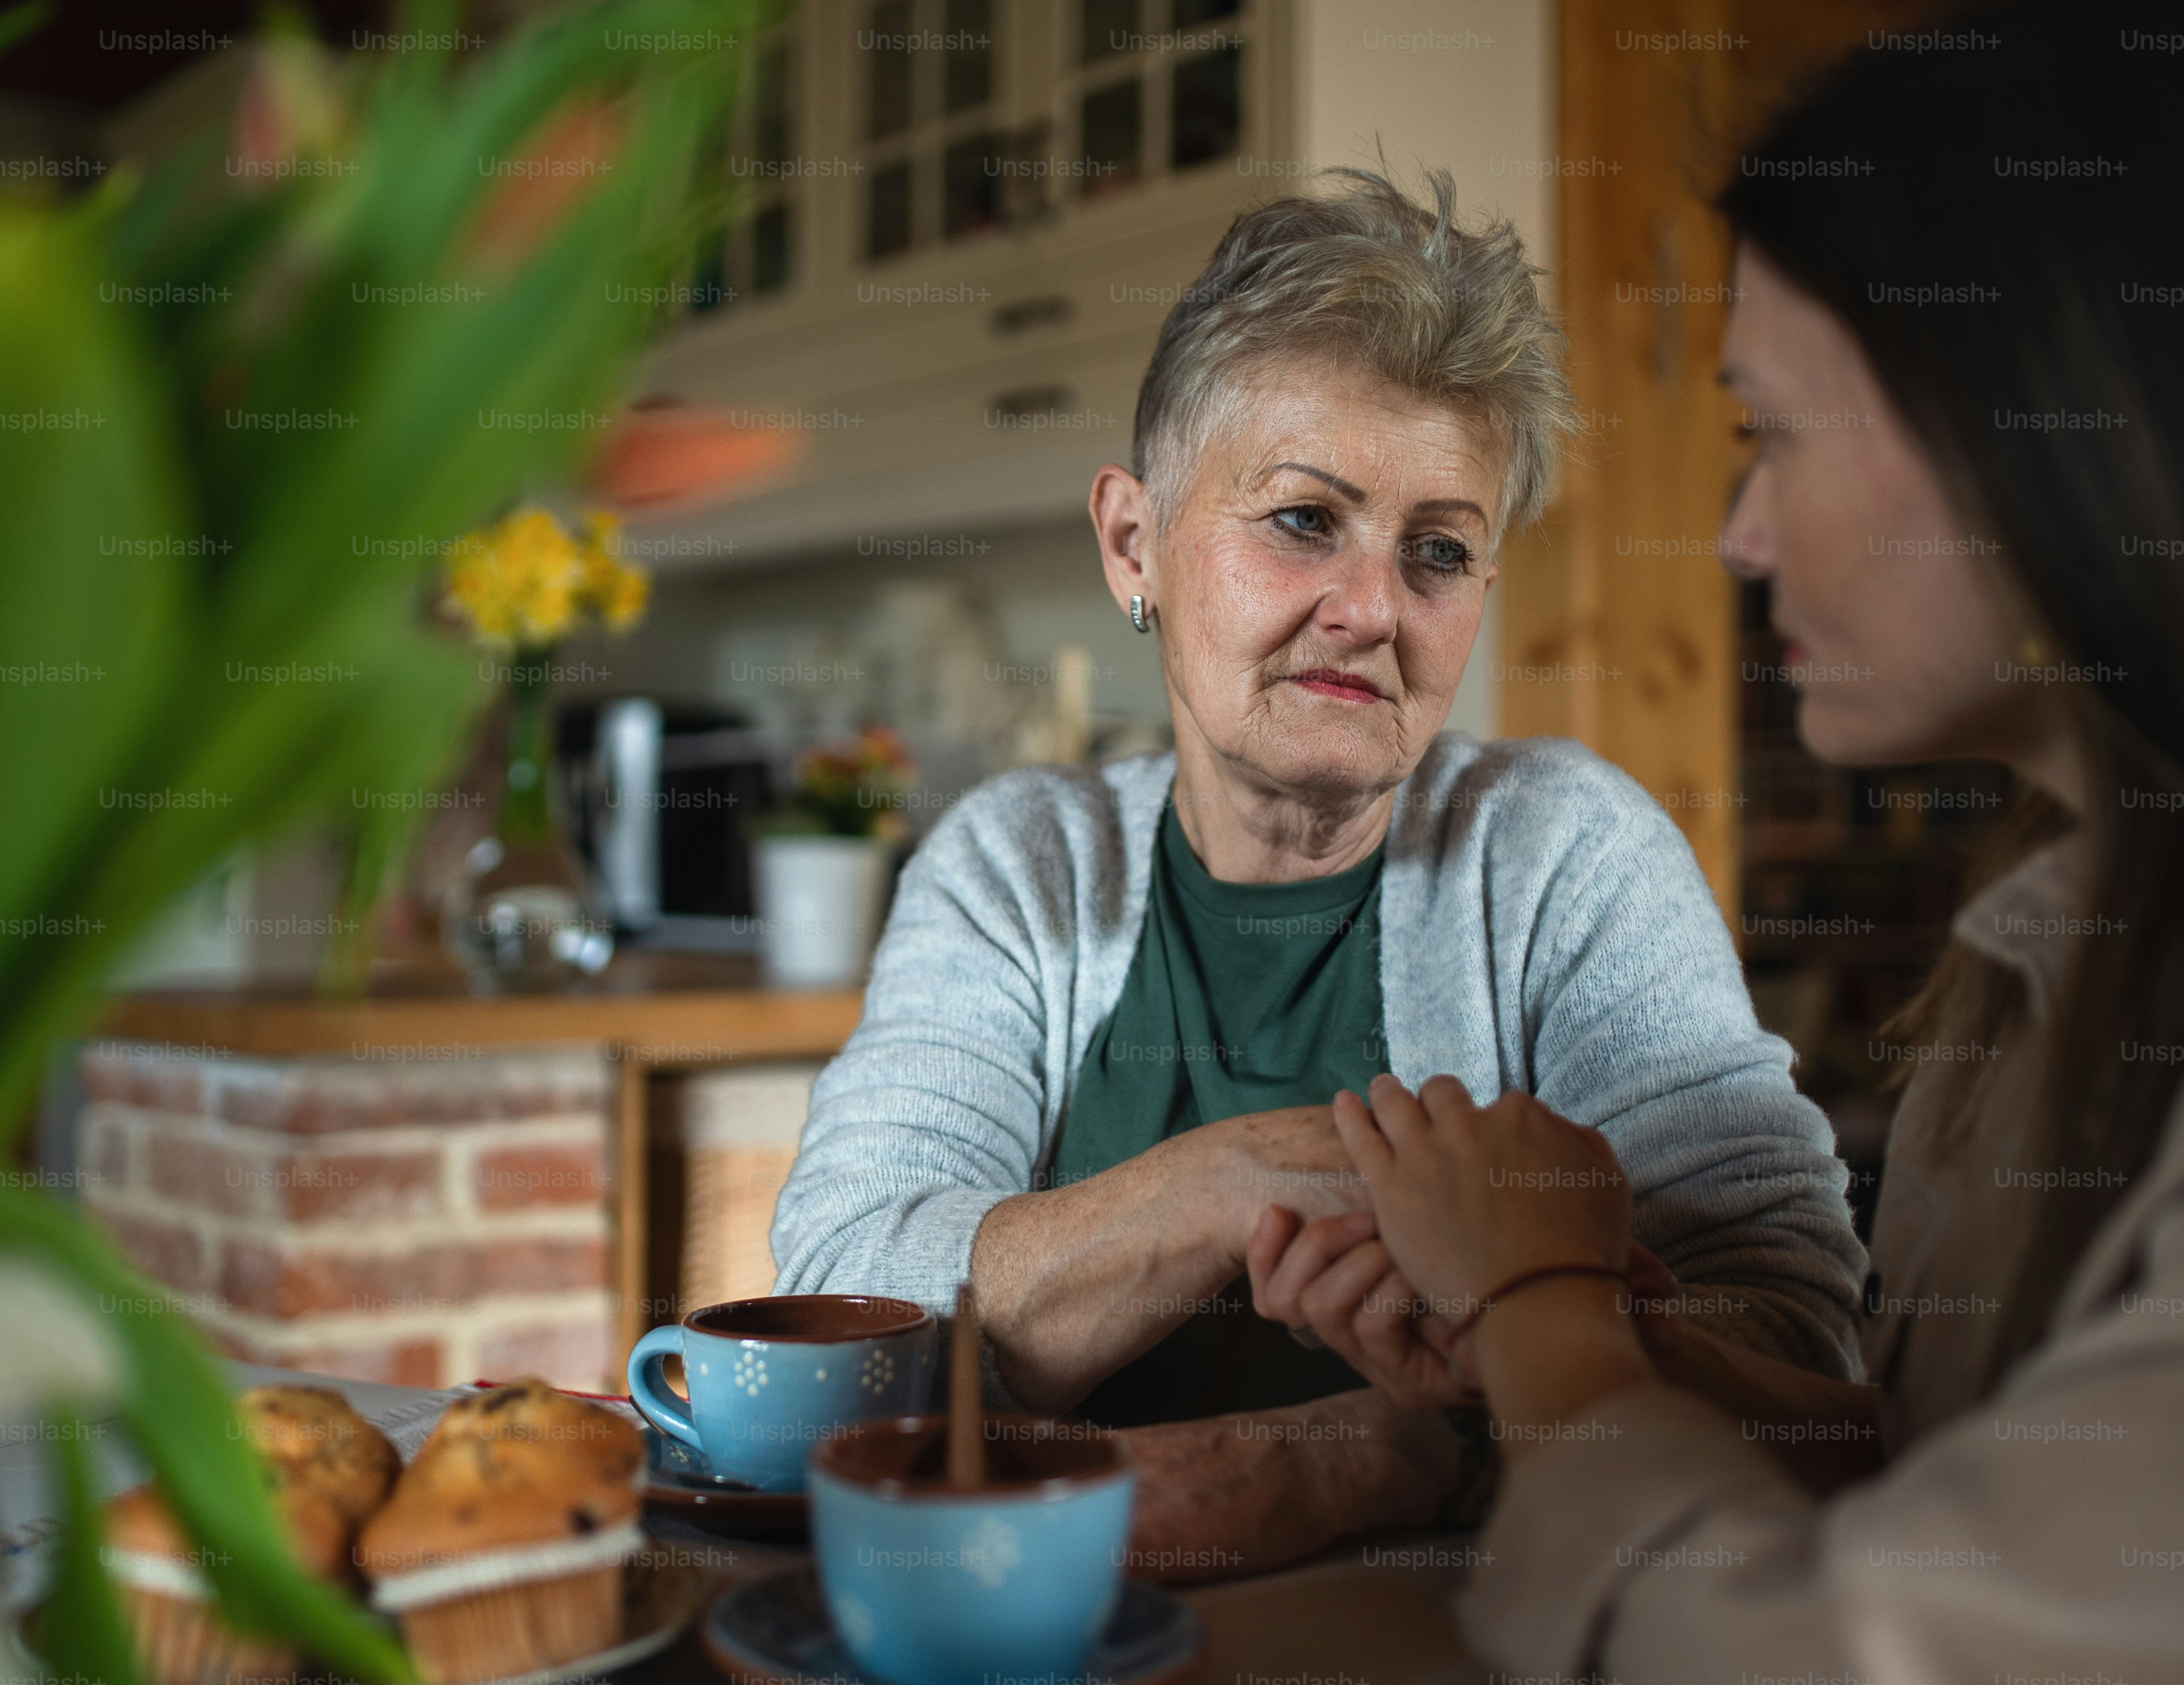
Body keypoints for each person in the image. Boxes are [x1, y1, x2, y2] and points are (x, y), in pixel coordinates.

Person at [1252, 1, 2184, 1673]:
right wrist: (1582, 1335)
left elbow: (1829, 1649)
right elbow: (1962, 1487)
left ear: (2045, 426)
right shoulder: (2066, 948)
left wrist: (1539, 1314)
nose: (1741, 536)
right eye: (1296, 525)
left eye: (1774, 429)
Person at [772, 169, 1869, 1574]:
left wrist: (1373, 1451)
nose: (1370, 612)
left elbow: (1796, 1340)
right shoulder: (1015, 863)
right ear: (1132, 544)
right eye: (1302, 520)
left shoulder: (1562, 853)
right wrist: (1238, 1186)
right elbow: (836, 1321)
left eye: (1437, 552)